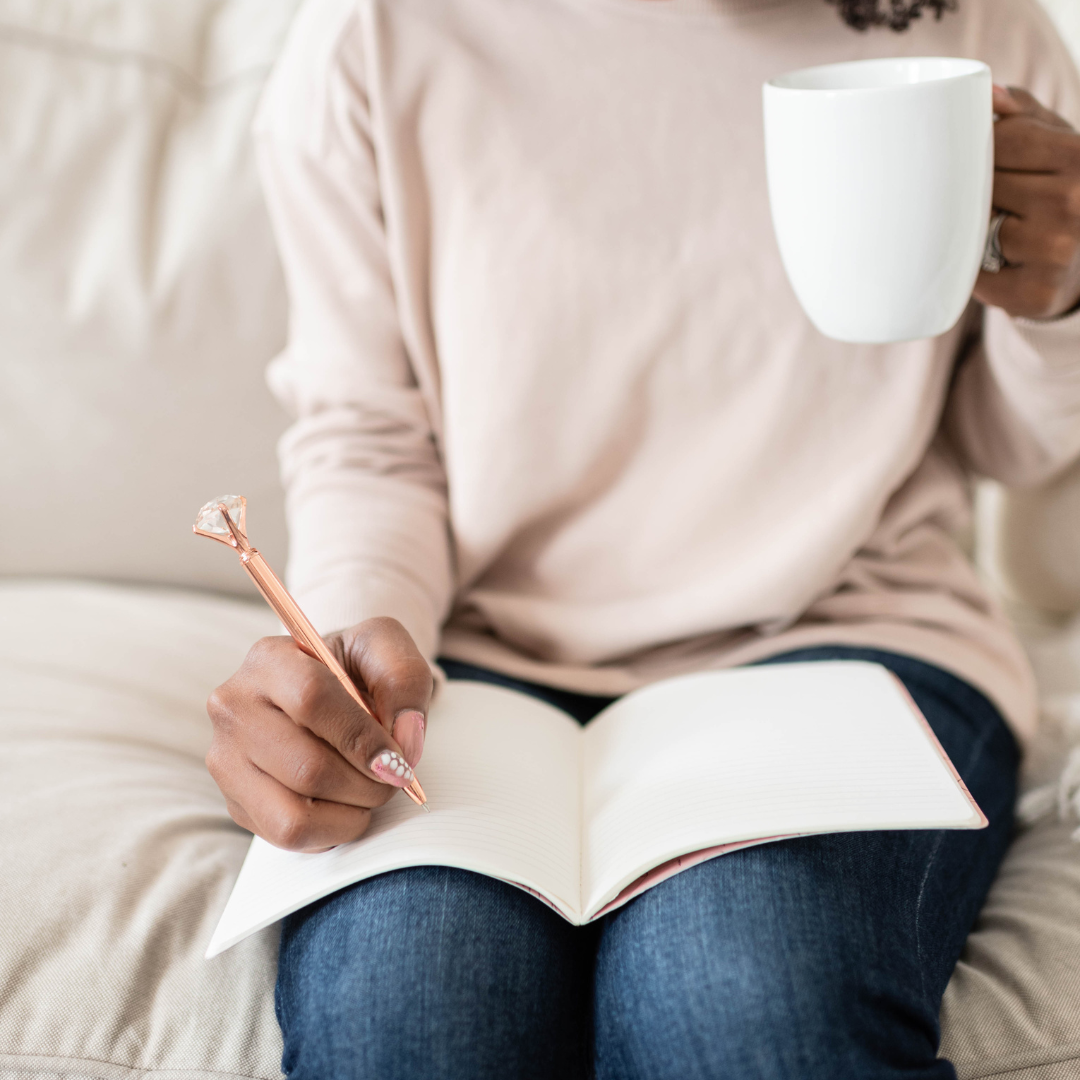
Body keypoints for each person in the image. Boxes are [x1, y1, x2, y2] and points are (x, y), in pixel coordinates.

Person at [205, 0, 1080, 1074]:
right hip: (471, 671)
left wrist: (1065, 304)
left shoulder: (981, 37)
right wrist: (350, 656)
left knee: (747, 1004)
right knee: (408, 1022)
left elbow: (1009, 444)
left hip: (851, 633)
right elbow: (371, 440)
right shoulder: (377, 40)